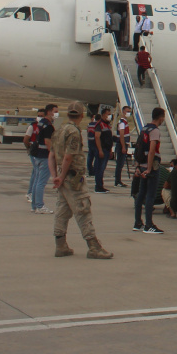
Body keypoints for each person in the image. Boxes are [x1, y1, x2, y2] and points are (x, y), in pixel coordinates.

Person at [48, 101, 112, 259]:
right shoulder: (73, 132)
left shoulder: (59, 130)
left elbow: (51, 156)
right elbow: (68, 157)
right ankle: (93, 246)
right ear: (82, 115)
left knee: (62, 210)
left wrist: (55, 176)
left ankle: (60, 244)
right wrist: (62, 176)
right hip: (72, 178)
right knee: (83, 210)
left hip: (62, 177)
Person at [132, 107, 166, 234]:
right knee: (150, 195)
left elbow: (138, 148)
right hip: (151, 166)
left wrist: (138, 166)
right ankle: (149, 225)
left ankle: (137, 222)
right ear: (160, 117)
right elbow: (152, 150)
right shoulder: (155, 131)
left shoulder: (144, 128)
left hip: (141, 164)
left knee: (141, 193)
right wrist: (149, 168)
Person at [29, 104, 57, 214]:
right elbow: (47, 141)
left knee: (37, 181)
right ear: (49, 112)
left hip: (38, 154)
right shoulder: (48, 126)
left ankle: (34, 205)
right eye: (55, 111)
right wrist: (53, 155)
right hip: (45, 155)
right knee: (41, 182)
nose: (56, 114)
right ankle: (40, 205)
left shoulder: (41, 123)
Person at [92, 108, 113, 193]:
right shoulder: (100, 124)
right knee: (99, 168)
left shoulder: (107, 124)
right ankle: (98, 186)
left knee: (102, 168)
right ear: (103, 114)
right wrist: (100, 150)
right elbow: (97, 137)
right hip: (102, 149)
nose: (110, 116)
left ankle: (101, 185)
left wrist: (110, 150)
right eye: (108, 114)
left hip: (107, 149)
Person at [113, 107, 132, 187]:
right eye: (127, 111)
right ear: (123, 112)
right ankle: (117, 180)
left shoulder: (125, 122)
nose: (128, 113)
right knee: (119, 164)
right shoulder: (122, 123)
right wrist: (123, 146)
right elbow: (121, 135)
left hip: (123, 144)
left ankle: (118, 180)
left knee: (121, 164)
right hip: (121, 145)